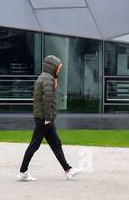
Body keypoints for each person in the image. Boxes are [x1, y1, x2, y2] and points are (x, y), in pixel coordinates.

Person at [17, 54, 81, 182]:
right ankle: (23, 171)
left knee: (56, 143)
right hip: (44, 118)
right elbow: (47, 100)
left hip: (44, 117)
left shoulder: (45, 77)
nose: (59, 70)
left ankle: (68, 170)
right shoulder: (48, 79)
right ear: (52, 67)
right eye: (58, 68)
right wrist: (48, 118)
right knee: (34, 145)